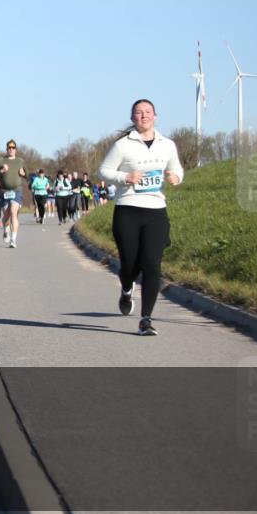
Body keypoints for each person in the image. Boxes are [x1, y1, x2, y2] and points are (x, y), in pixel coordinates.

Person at [99, 99, 183, 336]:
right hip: (128, 210)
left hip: (156, 211)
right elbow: (103, 171)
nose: (143, 116)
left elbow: (177, 169)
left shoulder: (167, 145)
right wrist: (126, 177)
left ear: (155, 116)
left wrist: (176, 178)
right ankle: (126, 288)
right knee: (129, 265)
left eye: (147, 112)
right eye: (138, 113)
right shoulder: (123, 145)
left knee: (152, 264)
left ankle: (146, 319)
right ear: (133, 118)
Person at [0, 140, 27, 248]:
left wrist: (23, 173)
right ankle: (5, 229)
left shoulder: (20, 161)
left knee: (14, 212)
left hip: (16, 190)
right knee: (6, 216)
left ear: (16, 150)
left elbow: (26, 174)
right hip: (4, 191)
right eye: (9, 147)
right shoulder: (1, 161)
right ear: (6, 149)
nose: (11, 149)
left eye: (13, 148)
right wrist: (2, 171)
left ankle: (13, 240)